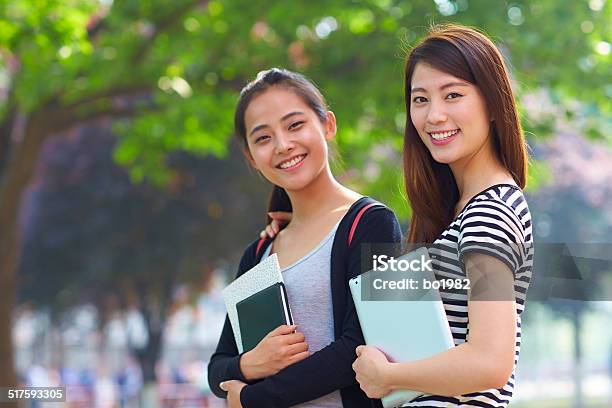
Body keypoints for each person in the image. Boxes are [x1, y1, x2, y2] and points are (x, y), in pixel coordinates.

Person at [351, 24, 533, 407]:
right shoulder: (460, 211)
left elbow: (490, 361)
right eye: (420, 100)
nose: (434, 115)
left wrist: (388, 376)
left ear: (493, 103)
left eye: (453, 95)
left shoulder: (490, 211)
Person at [207, 68, 402, 408]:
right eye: (263, 138)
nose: (283, 145)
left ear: (327, 125)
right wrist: (249, 364)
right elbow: (217, 368)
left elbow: (360, 346)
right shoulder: (260, 252)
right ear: (252, 158)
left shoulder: (372, 223)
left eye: (295, 125)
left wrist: (253, 397)